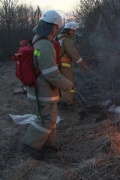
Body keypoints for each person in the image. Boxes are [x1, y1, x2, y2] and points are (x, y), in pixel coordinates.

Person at [20, 10, 73, 160]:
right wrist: (67, 84)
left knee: (50, 116)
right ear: (53, 27)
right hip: (42, 89)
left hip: (41, 87)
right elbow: (51, 73)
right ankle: (30, 144)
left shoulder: (39, 39)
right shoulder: (44, 45)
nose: (57, 30)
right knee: (45, 119)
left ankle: (50, 143)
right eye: (57, 27)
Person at [57, 21, 89, 111]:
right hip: (64, 66)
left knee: (61, 83)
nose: (74, 33)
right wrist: (83, 64)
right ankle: (67, 103)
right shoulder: (66, 40)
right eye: (73, 31)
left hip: (57, 65)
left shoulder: (58, 38)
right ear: (69, 31)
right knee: (70, 84)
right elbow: (74, 54)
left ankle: (61, 100)